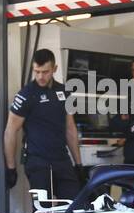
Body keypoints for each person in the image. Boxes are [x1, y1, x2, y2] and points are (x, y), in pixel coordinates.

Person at [5, 49, 85, 201]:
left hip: (62, 159)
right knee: (43, 212)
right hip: (37, 162)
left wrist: (78, 164)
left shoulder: (65, 92)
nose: (40, 76)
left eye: (45, 72)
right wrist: (11, 168)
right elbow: (10, 131)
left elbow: (70, 129)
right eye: (37, 71)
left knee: (75, 208)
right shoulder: (26, 95)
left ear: (54, 69)